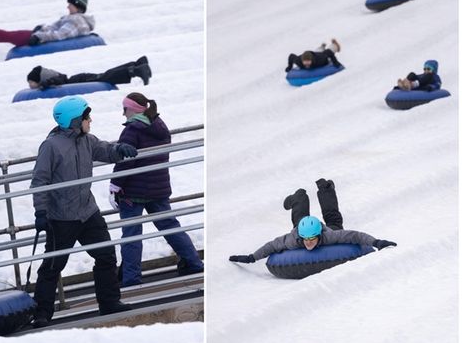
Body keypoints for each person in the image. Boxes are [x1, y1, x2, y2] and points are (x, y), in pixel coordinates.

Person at [30, 95, 137, 328]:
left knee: (106, 255)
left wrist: (120, 150)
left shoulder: (86, 140)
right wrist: (41, 212)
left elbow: (104, 150)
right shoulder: (51, 146)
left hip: (88, 212)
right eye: (87, 116)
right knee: (52, 266)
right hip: (61, 218)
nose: (91, 120)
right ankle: (41, 313)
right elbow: (40, 181)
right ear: (75, 120)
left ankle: (109, 302)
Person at [109, 92, 204, 287]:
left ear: (132, 109)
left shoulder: (131, 131)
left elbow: (125, 161)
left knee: (132, 235)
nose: (123, 114)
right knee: (170, 227)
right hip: (158, 189)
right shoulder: (160, 127)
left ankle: (131, 279)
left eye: (124, 109)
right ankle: (194, 263)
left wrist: (115, 186)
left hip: (133, 192)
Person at [229, 179, 397, 264]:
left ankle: (326, 189)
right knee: (300, 215)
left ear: (318, 235)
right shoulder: (294, 239)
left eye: (312, 239)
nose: (309, 243)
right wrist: (252, 257)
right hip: (300, 225)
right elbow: (272, 246)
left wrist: (376, 242)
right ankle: (297, 196)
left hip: (328, 229)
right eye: (306, 239)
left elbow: (354, 236)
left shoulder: (328, 236)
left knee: (334, 219)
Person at [27, 56, 152, 89]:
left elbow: (58, 81)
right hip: (79, 79)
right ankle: (137, 64)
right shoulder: (54, 78)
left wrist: (47, 84)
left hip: (79, 81)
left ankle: (136, 70)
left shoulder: (53, 80)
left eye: (31, 82)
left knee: (107, 77)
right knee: (106, 75)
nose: (30, 85)